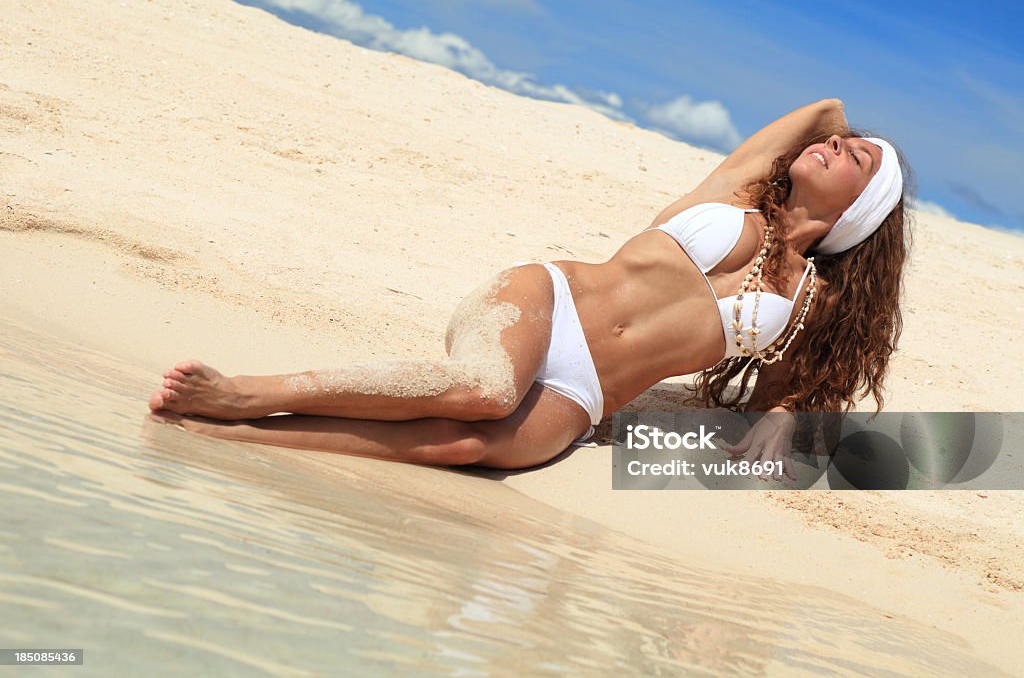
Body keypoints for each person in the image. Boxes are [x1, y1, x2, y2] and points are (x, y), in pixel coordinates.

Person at [148, 98, 912, 476]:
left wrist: (782, 414)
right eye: (845, 145)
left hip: (585, 392)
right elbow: (823, 107)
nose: (838, 142)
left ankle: (237, 435)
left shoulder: (816, 298)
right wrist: (854, 142)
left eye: (859, 162)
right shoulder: (740, 192)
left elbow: (802, 386)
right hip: (544, 303)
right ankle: (245, 391)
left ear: (860, 212)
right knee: (484, 387)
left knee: (471, 446)